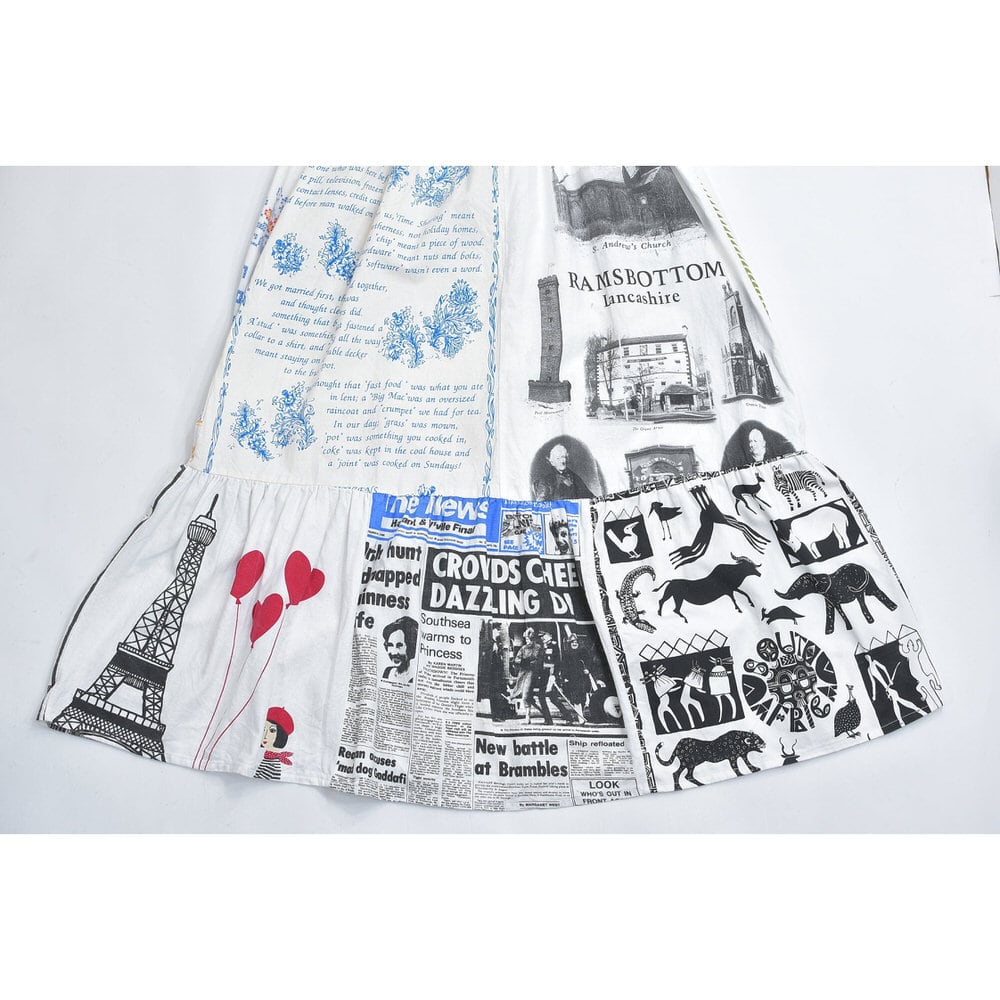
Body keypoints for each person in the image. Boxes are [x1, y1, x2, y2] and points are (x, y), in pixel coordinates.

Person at [254, 706, 294, 780]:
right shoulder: (268, 759)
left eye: (272, 730)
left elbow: (258, 782)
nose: (265, 735)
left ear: (281, 734)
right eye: (264, 729)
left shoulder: (271, 764)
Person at [382, 615, 418, 683]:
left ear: (411, 647)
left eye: (399, 646)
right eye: (390, 645)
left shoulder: (415, 678)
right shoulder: (388, 672)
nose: (394, 652)